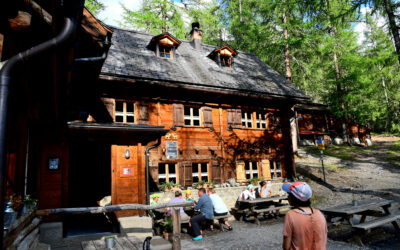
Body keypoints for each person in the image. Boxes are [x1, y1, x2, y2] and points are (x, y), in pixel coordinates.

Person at [281, 181, 327, 250]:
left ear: (294, 198)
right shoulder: (319, 214)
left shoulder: (291, 215)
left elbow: (286, 247)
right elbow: (323, 241)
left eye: (289, 194)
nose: (287, 196)